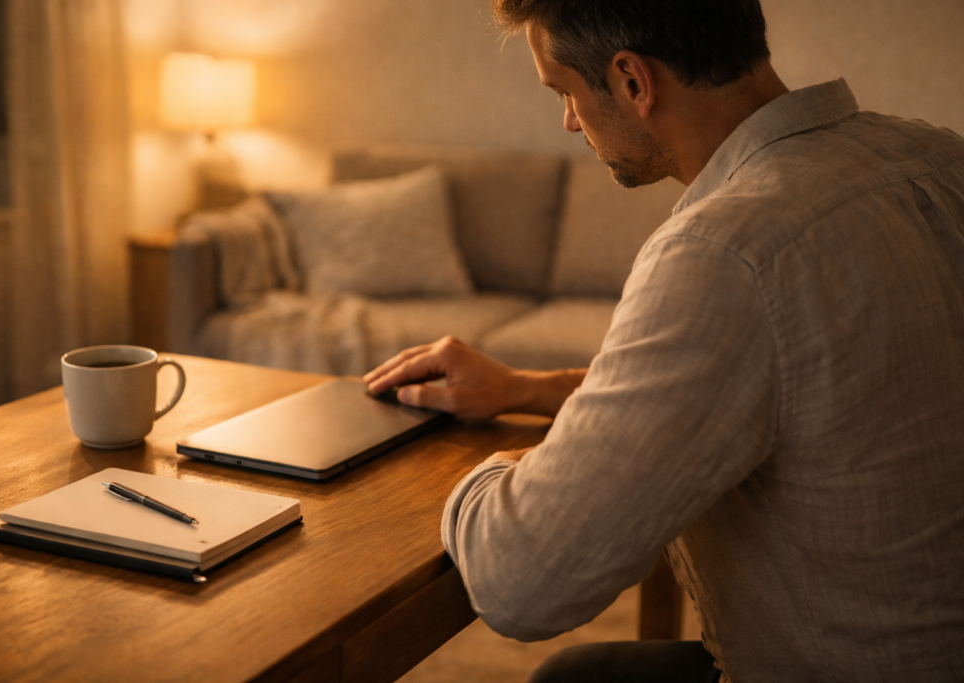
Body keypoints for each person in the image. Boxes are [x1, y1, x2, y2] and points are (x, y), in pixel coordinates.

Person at [364, 1, 964, 680]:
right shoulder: (940, 156)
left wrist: (492, 472)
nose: (568, 119)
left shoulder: (726, 248)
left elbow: (521, 583)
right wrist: (529, 389)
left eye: (564, 90)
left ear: (631, 81)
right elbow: (795, 383)